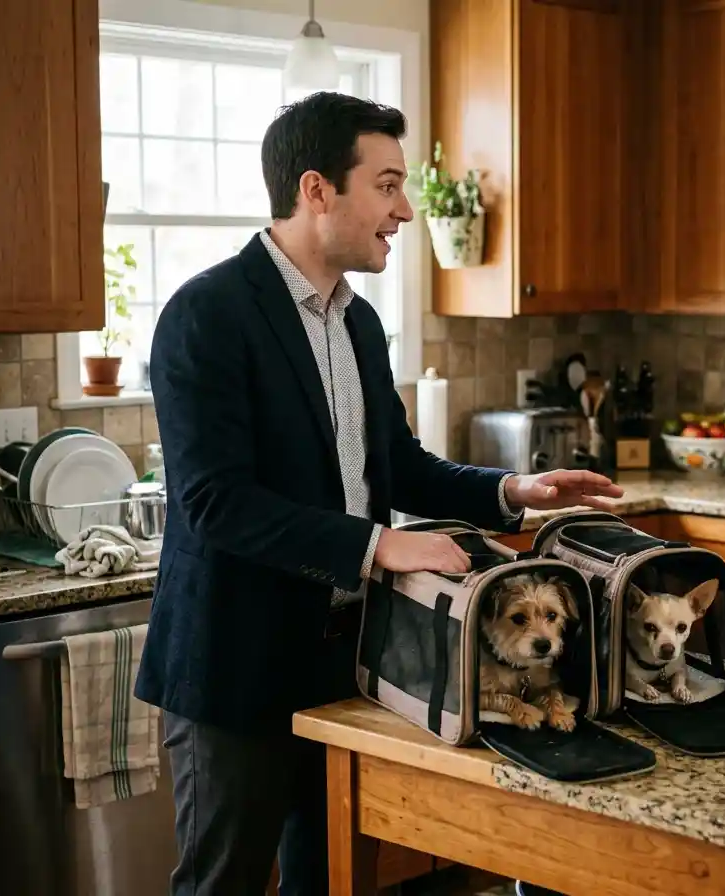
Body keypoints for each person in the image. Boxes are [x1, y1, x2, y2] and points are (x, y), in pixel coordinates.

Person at [134, 91, 624, 896]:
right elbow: (214, 504)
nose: (403, 211)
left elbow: (394, 463)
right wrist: (379, 545)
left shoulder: (357, 322)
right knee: (221, 885)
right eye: (388, 184)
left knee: (332, 881)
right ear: (317, 188)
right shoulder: (207, 314)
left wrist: (514, 488)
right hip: (235, 667)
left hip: (344, 658)